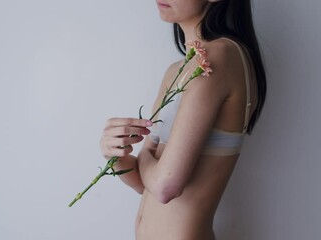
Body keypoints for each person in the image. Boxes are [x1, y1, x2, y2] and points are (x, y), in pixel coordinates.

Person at [99, 0, 267, 239]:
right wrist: (115, 156)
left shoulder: (218, 56)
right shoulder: (177, 70)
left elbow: (165, 187)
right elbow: (145, 185)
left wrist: (146, 156)